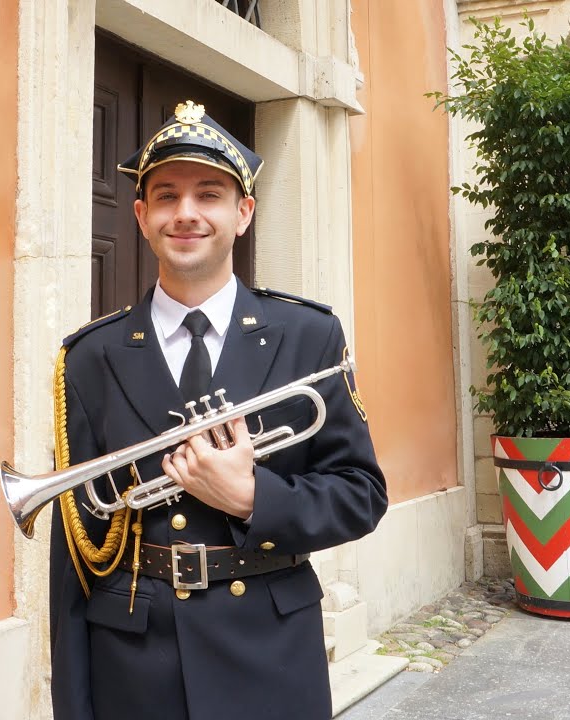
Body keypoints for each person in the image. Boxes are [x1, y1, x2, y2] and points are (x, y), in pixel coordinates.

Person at [47, 99, 388, 720]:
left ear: (243, 213)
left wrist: (253, 498)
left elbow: (360, 495)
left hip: (271, 650)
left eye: (209, 195)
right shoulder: (89, 356)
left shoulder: (309, 335)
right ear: (142, 216)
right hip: (133, 661)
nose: (186, 213)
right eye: (167, 196)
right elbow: (76, 551)